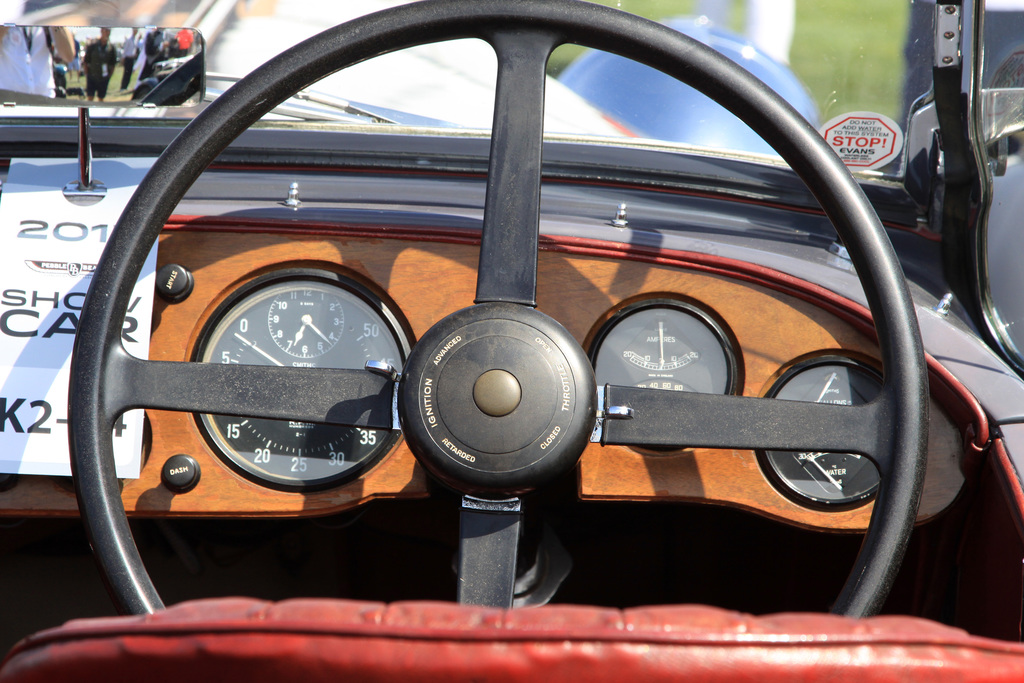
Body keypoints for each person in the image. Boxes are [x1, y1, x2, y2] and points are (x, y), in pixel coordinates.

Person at [0, 25, 75, 97]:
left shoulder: (45, 25)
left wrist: (55, 18)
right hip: (9, 100)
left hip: (45, 99)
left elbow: (68, 56)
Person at [83, 27, 117, 102]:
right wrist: (87, 74)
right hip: (92, 76)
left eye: (109, 31)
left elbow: (113, 64)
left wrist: (108, 77)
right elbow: (86, 61)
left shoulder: (111, 47)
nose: (108, 33)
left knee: (101, 98)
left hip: (103, 78)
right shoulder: (93, 45)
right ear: (101, 31)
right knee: (90, 97)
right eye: (106, 30)